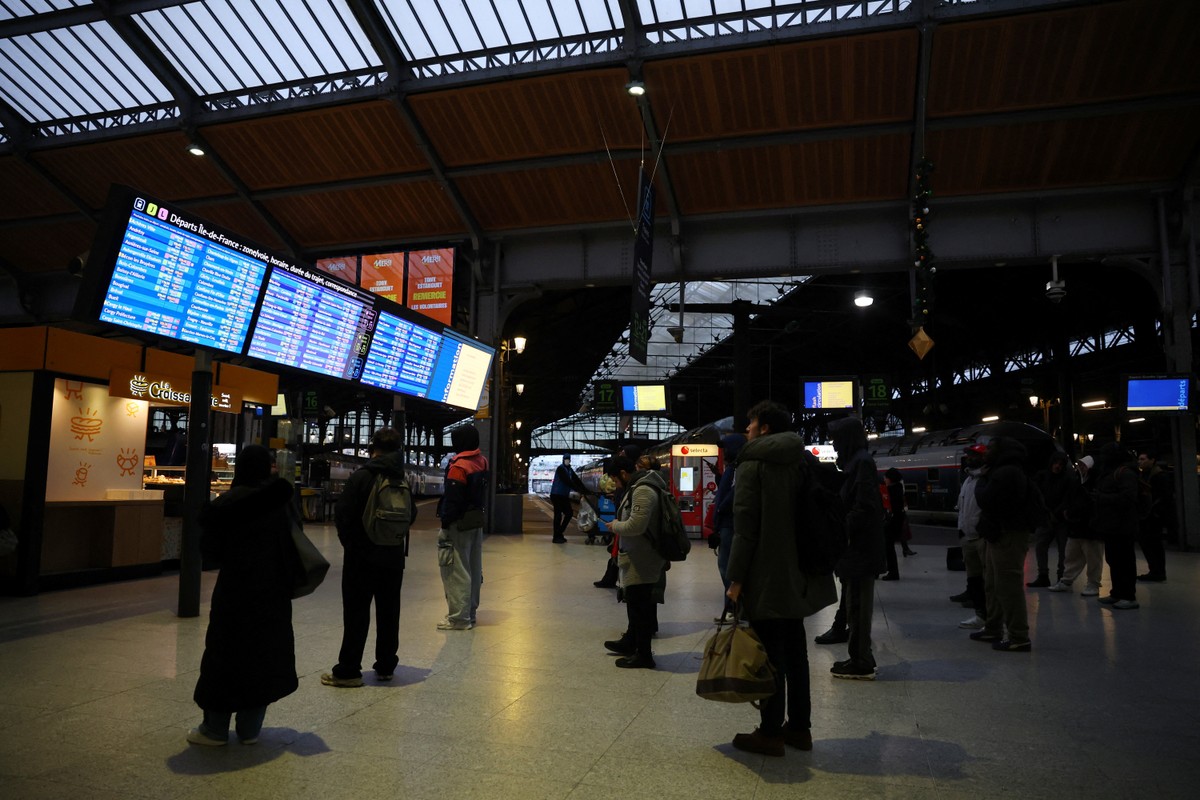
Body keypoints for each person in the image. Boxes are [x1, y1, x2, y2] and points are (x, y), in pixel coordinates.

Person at [726, 400, 837, 756]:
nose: (747, 430)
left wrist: (736, 578)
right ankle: (799, 729)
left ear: (765, 429)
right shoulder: (803, 459)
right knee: (796, 653)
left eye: (751, 424)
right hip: (802, 570)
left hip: (768, 573)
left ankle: (770, 732)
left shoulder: (753, 463)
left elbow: (746, 527)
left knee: (769, 655)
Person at [188, 444, 297, 746]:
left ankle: (215, 729)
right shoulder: (280, 501)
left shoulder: (225, 505)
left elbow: (209, 552)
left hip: (234, 592)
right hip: (272, 592)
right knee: (263, 655)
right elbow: (293, 544)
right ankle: (250, 729)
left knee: (225, 655)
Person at [323, 427, 412, 687]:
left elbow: (343, 514)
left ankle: (349, 671)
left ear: (373, 448)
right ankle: (385, 667)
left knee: (356, 614)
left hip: (362, 557)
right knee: (389, 612)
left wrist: (351, 544)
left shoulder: (362, 476)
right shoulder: (401, 479)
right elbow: (412, 515)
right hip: (393, 557)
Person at [825, 416, 886, 680]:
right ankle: (858, 655)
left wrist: (840, 528)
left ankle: (861, 661)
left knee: (859, 606)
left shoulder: (861, 463)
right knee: (855, 604)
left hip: (861, 549)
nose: (834, 444)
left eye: (837, 438)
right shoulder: (857, 461)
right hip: (857, 549)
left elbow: (864, 506)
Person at [601, 455, 668, 669]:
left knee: (641, 607)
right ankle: (635, 645)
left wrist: (615, 526)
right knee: (637, 604)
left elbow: (636, 526)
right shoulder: (640, 487)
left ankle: (644, 655)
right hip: (637, 555)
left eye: (616, 479)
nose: (616, 485)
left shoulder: (643, 490)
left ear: (623, 473)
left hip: (643, 557)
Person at [970, 436, 1034, 652]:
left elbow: (986, 499)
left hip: (1007, 535)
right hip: (997, 534)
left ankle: (1019, 636)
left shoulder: (1006, 472)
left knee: (1008, 586)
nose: (985, 452)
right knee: (993, 583)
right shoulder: (1005, 470)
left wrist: (981, 481)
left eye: (989, 448)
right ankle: (993, 627)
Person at [437, 425, 489, 631]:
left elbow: (453, 500)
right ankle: (470, 613)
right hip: (475, 521)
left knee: (456, 569)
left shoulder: (459, 466)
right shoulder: (482, 461)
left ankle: (459, 618)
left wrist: (445, 524)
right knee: (474, 568)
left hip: (458, 524)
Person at [1049, 455, 1105, 596]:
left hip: (1090, 527)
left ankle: (1093, 584)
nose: (1081, 467)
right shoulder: (1077, 481)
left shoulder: (1094, 482)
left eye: (1083, 465)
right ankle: (1067, 580)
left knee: (1093, 558)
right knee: (1071, 555)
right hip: (1077, 526)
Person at [1093, 443, 1140, 609]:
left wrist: (1102, 498)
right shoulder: (1115, 472)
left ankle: (1128, 596)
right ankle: (1118, 593)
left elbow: (1128, 498)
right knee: (1114, 559)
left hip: (1123, 526)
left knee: (1124, 561)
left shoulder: (1124, 473)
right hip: (1112, 525)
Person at [711, 433, 746, 623]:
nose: (723, 452)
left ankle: (736, 606)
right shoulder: (732, 468)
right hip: (725, 524)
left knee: (727, 568)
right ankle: (732, 606)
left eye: (726, 448)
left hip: (730, 524)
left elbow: (734, 493)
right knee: (727, 567)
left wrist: (721, 507)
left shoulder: (738, 468)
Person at [1027, 452, 1073, 587]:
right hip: (1049, 517)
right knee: (1043, 547)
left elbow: (1067, 498)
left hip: (1058, 519)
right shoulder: (1044, 476)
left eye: (1060, 464)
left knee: (1061, 549)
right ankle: (1046, 575)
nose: (1057, 466)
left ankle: (1059, 577)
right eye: (1056, 463)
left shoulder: (1065, 479)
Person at [955, 444, 988, 629]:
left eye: (974, 455)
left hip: (981, 538)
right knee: (974, 579)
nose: (969, 458)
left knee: (987, 581)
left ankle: (991, 617)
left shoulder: (986, 478)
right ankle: (980, 614)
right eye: (968, 455)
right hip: (968, 537)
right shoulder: (968, 480)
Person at [1136, 448, 1170, 582]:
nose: (1140, 462)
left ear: (1152, 460)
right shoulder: (1146, 474)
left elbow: (1163, 497)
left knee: (1153, 544)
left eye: (1143, 459)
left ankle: (1158, 571)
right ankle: (1155, 571)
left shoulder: (1158, 476)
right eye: (1139, 459)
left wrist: (1155, 512)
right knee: (1149, 544)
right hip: (1148, 515)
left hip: (1152, 516)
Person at [549, 454, 587, 543]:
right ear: (563, 460)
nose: (567, 460)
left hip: (563, 495)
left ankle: (559, 533)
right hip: (556, 495)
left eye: (568, 459)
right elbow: (567, 481)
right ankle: (556, 536)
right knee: (558, 515)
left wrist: (585, 490)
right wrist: (578, 490)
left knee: (569, 513)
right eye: (565, 459)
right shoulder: (561, 468)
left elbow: (576, 480)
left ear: (570, 460)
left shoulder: (569, 470)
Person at [880, 468, 905, 580]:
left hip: (890, 523)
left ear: (890, 479)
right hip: (895, 522)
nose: (884, 479)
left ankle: (892, 572)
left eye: (885, 477)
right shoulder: (899, 489)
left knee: (888, 547)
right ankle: (891, 570)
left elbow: (889, 508)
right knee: (888, 547)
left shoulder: (890, 491)